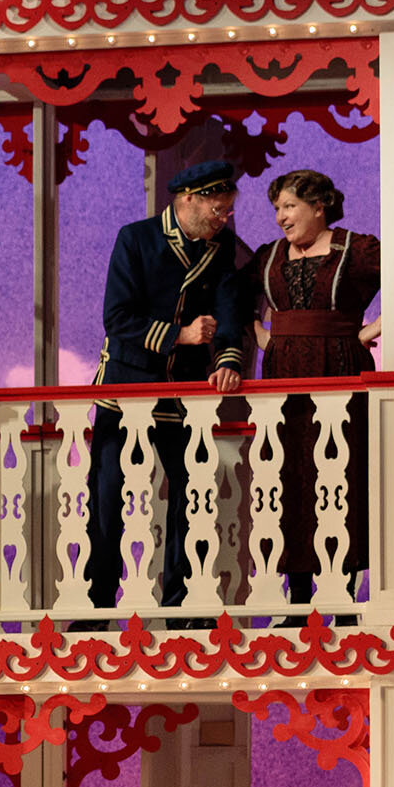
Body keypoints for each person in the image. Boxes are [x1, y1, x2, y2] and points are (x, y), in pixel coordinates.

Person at [252, 168, 394, 604]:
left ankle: (343, 596)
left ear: (320, 207)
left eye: (290, 206)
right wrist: (260, 335)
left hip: (339, 368)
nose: (281, 216)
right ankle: (296, 598)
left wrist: (373, 330)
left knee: (340, 474)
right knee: (288, 476)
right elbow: (236, 297)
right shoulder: (269, 255)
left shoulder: (356, 248)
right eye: (277, 208)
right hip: (284, 375)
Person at [84, 159, 251, 615]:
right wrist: (180, 334)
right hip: (126, 386)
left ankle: (182, 605)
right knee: (106, 498)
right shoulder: (135, 238)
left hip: (184, 392)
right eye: (218, 210)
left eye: (228, 212)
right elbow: (117, 320)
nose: (224, 219)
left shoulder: (221, 248)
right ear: (188, 199)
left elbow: (229, 311)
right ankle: (95, 608)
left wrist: (229, 360)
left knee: (192, 496)